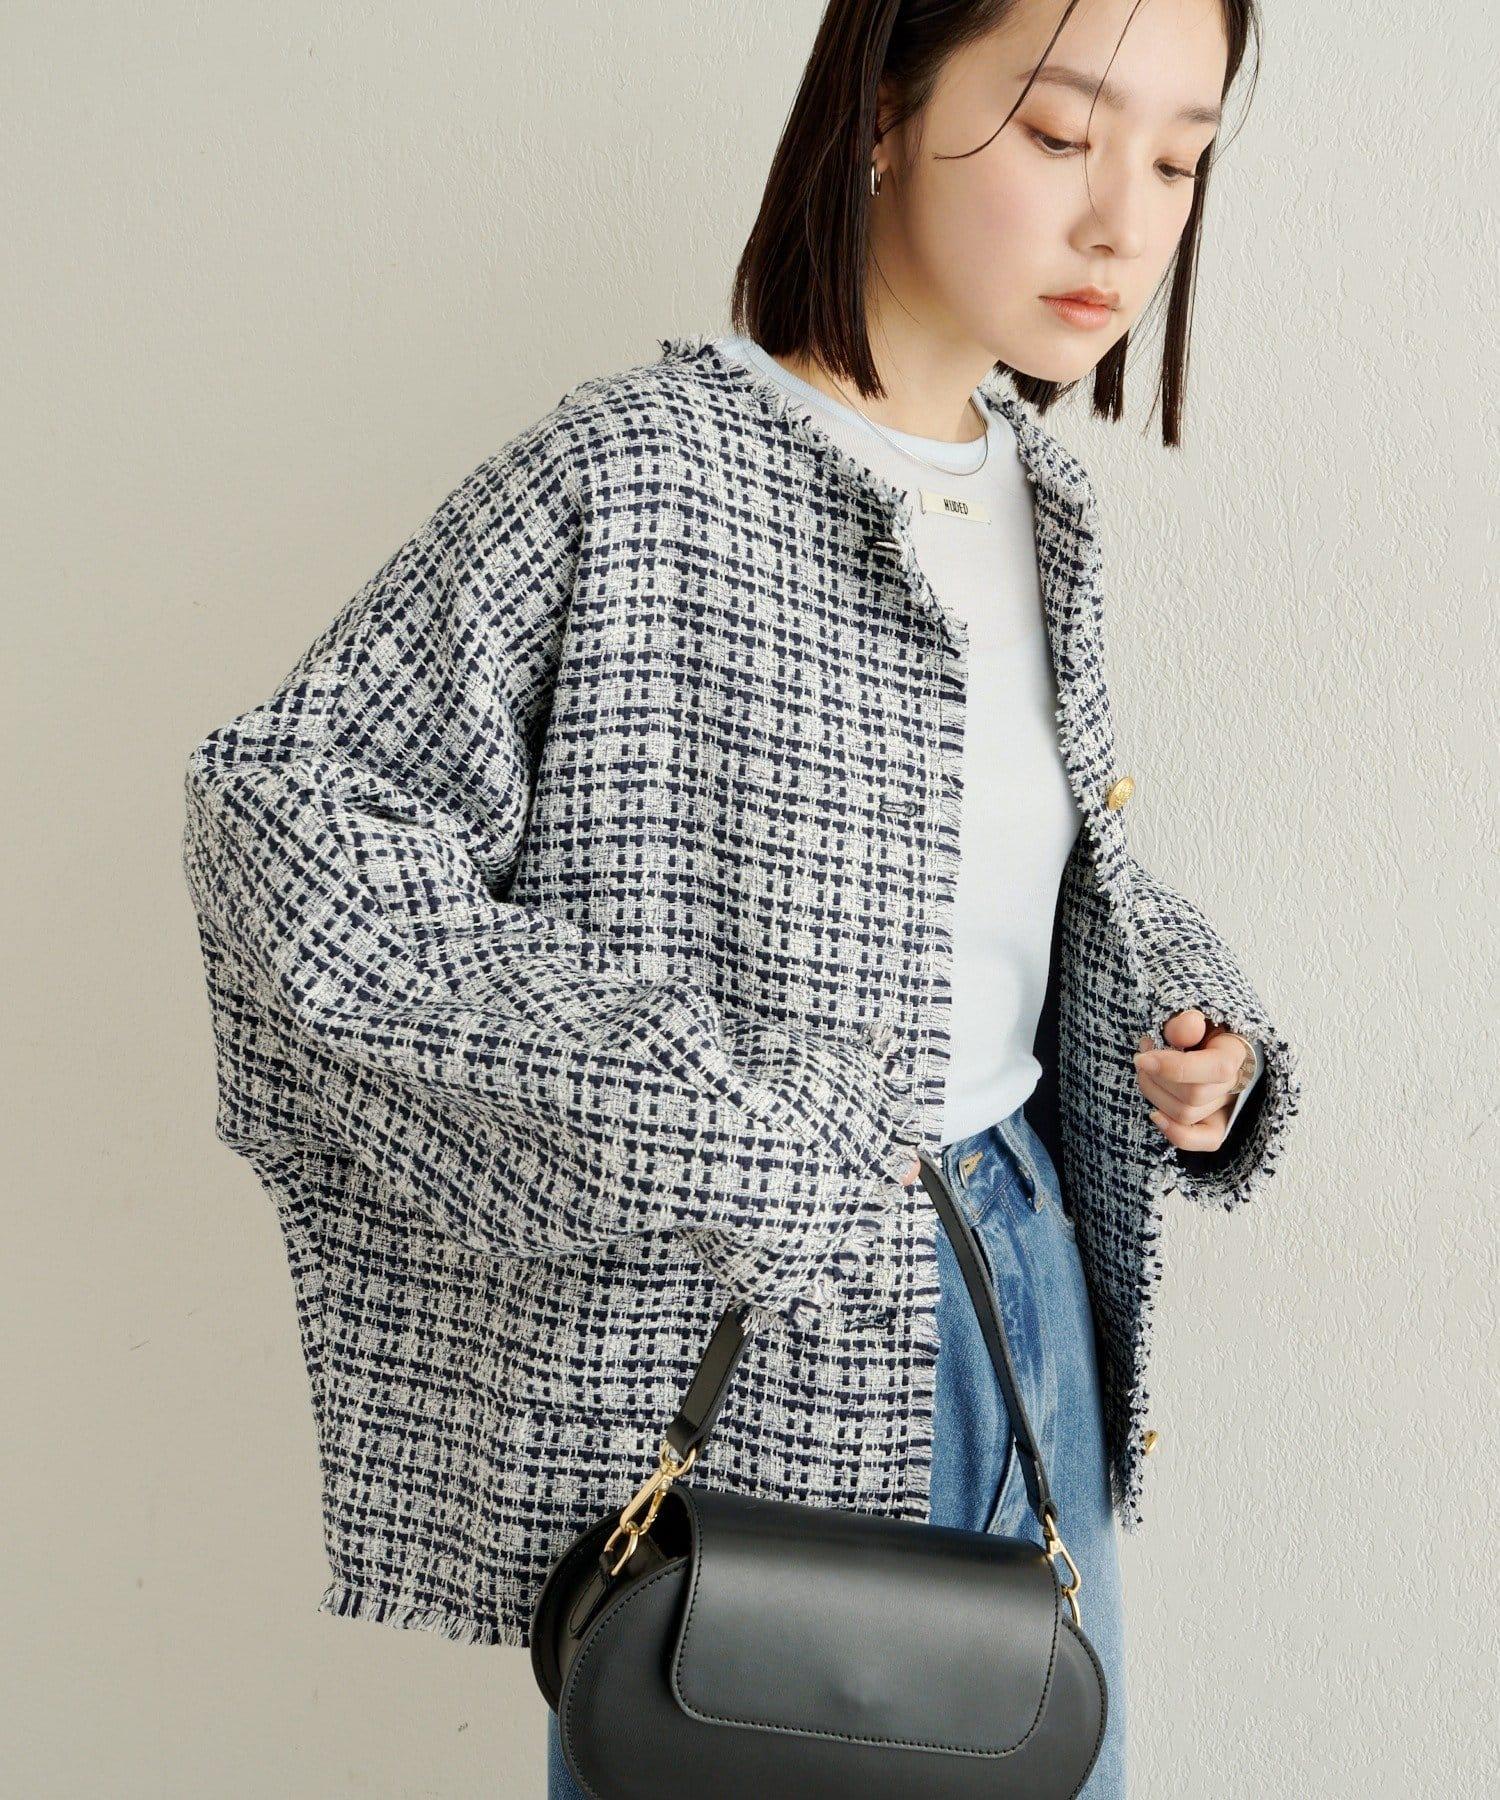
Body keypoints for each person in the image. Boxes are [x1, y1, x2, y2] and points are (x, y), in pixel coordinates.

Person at [181, 3, 1298, 1796]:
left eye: (1178, 161)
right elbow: (285, 819)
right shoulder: (639, 469)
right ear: (881, 106)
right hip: (754, 1329)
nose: (1124, 220)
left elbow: (1017, 871)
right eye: (1060, 134)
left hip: (1019, 1284)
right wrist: (709, 1118)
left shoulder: (1036, 497)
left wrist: (1183, 1016)